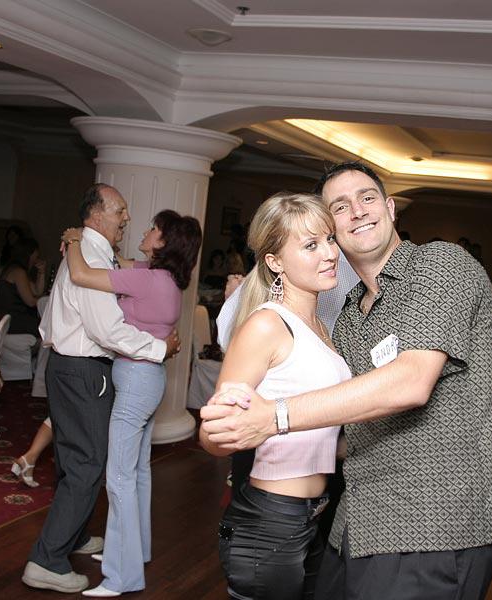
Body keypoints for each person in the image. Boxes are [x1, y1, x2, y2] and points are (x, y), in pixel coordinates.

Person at [203, 162, 492, 599]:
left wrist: (274, 419)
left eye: (367, 198)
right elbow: (351, 421)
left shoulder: (439, 265)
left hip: (436, 524)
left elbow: (411, 382)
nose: (358, 211)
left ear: (390, 208)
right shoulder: (348, 317)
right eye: (340, 207)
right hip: (353, 522)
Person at [22, 184, 180, 595]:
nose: (127, 218)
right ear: (96, 214)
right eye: (120, 210)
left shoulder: (93, 250)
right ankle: (46, 561)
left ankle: (72, 535)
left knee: (71, 458)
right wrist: (159, 348)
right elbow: (107, 330)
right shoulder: (90, 254)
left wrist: (73, 238)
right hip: (83, 370)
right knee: (88, 463)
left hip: (68, 366)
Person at [200, 192, 352, 600]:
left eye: (330, 240)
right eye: (311, 245)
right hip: (270, 519)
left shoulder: (318, 326)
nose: (330, 254)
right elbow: (212, 436)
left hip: (311, 513)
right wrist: (234, 428)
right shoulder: (267, 325)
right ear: (275, 261)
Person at [58, 209, 202, 598]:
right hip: (149, 379)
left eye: (154, 229)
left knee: (119, 477)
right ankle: (135, 553)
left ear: (165, 242)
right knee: (137, 472)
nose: (145, 230)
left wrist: (74, 238)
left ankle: (121, 577)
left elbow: (81, 274)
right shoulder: (163, 277)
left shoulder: (147, 279)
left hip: (137, 380)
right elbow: (115, 261)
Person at [0, 238, 46, 336]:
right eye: (36, 255)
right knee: (44, 326)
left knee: (43, 324)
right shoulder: (18, 272)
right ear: (29, 254)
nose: (37, 258)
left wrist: (42, 272)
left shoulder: (16, 269)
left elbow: (37, 291)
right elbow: (30, 301)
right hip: (5, 320)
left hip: (5, 316)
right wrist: (47, 301)